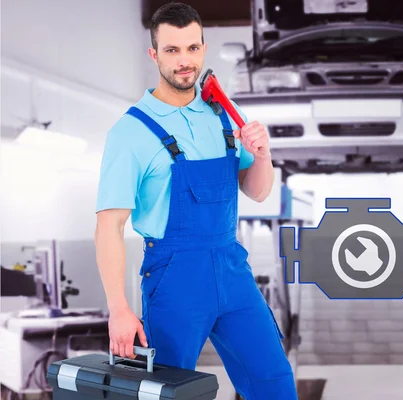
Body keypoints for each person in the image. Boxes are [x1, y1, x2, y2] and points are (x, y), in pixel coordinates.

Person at [94, 3, 298, 398]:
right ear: (154, 54)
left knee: (273, 381)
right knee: (168, 393)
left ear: (203, 48)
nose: (184, 61)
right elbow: (109, 226)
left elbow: (257, 190)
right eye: (172, 50)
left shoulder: (223, 113)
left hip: (232, 268)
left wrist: (263, 155)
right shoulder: (130, 133)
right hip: (174, 278)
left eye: (192, 48)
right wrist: (118, 307)